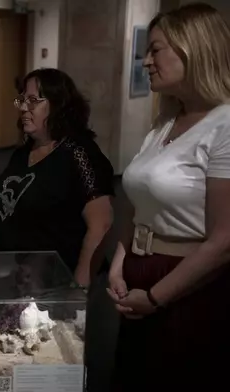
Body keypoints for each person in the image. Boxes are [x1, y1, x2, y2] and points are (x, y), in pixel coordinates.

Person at [108, 4, 230, 390]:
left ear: (192, 49)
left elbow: (224, 239)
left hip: (187, 283)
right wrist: (119, 262)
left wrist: (158, 297)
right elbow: (138, 202)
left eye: (155, 49)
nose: (146, 62)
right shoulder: (164, 123)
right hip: (141, 272)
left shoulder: (224, 125)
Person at [0, 68, 114, 287]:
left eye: (33, 101)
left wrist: (78, 289)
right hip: (24, 280)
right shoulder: (24, 152)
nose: (24, 108)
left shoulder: (78, 152)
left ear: (57, 104)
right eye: (22, 100)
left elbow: (101, 224)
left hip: (60, 283)